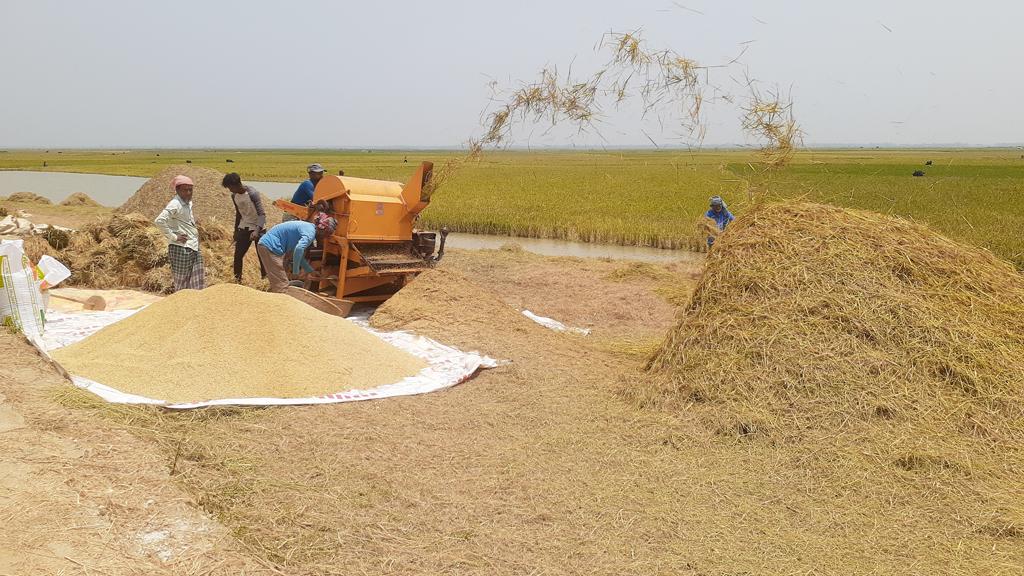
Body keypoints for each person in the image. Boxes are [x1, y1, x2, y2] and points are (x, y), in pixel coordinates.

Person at [257, 212, 337, 293]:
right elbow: (298, 250)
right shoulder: (310, 233)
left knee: (279, 281)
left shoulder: (308, 228)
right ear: (323, 230)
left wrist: (311, 271)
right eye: (327, 234)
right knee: (282, 285)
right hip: (269, 246)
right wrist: (296, 271)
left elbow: (299, 256)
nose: (325, 237)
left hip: (268, 246)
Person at [154, 175, 205, 291]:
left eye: (190, 190)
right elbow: (159, 221)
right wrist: (174, 237)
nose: (188, 193)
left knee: (196, 279)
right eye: (185, 190)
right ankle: (180, 306)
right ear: (177, 190)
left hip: (193, 246)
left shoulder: (188, 203)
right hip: (181, 248)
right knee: (181, 281)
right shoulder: (175, 204)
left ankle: (192, 305)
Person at [222, 172, 267, 282]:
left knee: (262, 257)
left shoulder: (252, 194)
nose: (230, 190)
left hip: (258, 228)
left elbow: (262, 215)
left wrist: (256, 231)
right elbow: (239, 213)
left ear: (236, 185)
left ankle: (265, 281)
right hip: (244, 226)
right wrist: (236, 231)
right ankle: (237, 281)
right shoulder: (234, 196)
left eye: (230, 187)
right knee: (237, 256)